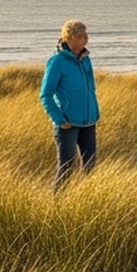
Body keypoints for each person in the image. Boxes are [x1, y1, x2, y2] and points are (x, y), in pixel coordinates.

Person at [40, 20, 99, 190]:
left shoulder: (86, 59)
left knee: (90, 166)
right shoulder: (57, 61)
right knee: (66, 166)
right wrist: (59, 119)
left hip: (88, 121)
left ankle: (86, 200)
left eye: (86, 35)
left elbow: (90, 88)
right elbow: (46, 94)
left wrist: (94, 112)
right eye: (81, 36)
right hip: (68, 124)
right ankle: (57, 203)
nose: (85, 39)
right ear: (69, 38)